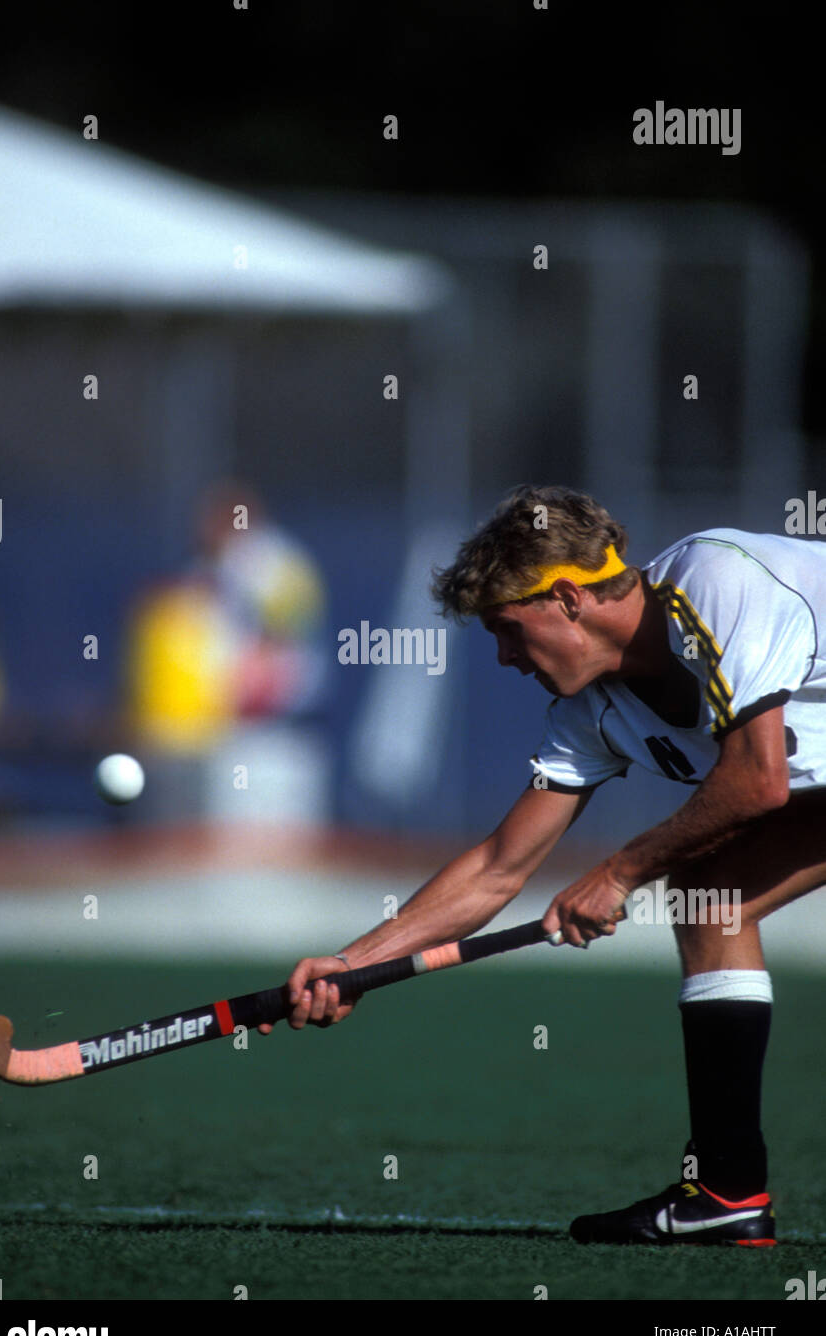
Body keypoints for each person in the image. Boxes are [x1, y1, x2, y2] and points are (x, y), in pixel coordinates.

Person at [259, 484, 826, 1246]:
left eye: (506, 629)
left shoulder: (716, 582)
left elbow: (756, 781)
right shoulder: (589, 711)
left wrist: (620, 871)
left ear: (565, 599)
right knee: (710, 901)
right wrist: (353, 964)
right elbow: (498, 866)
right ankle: (725, 1192)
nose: (500, 657)